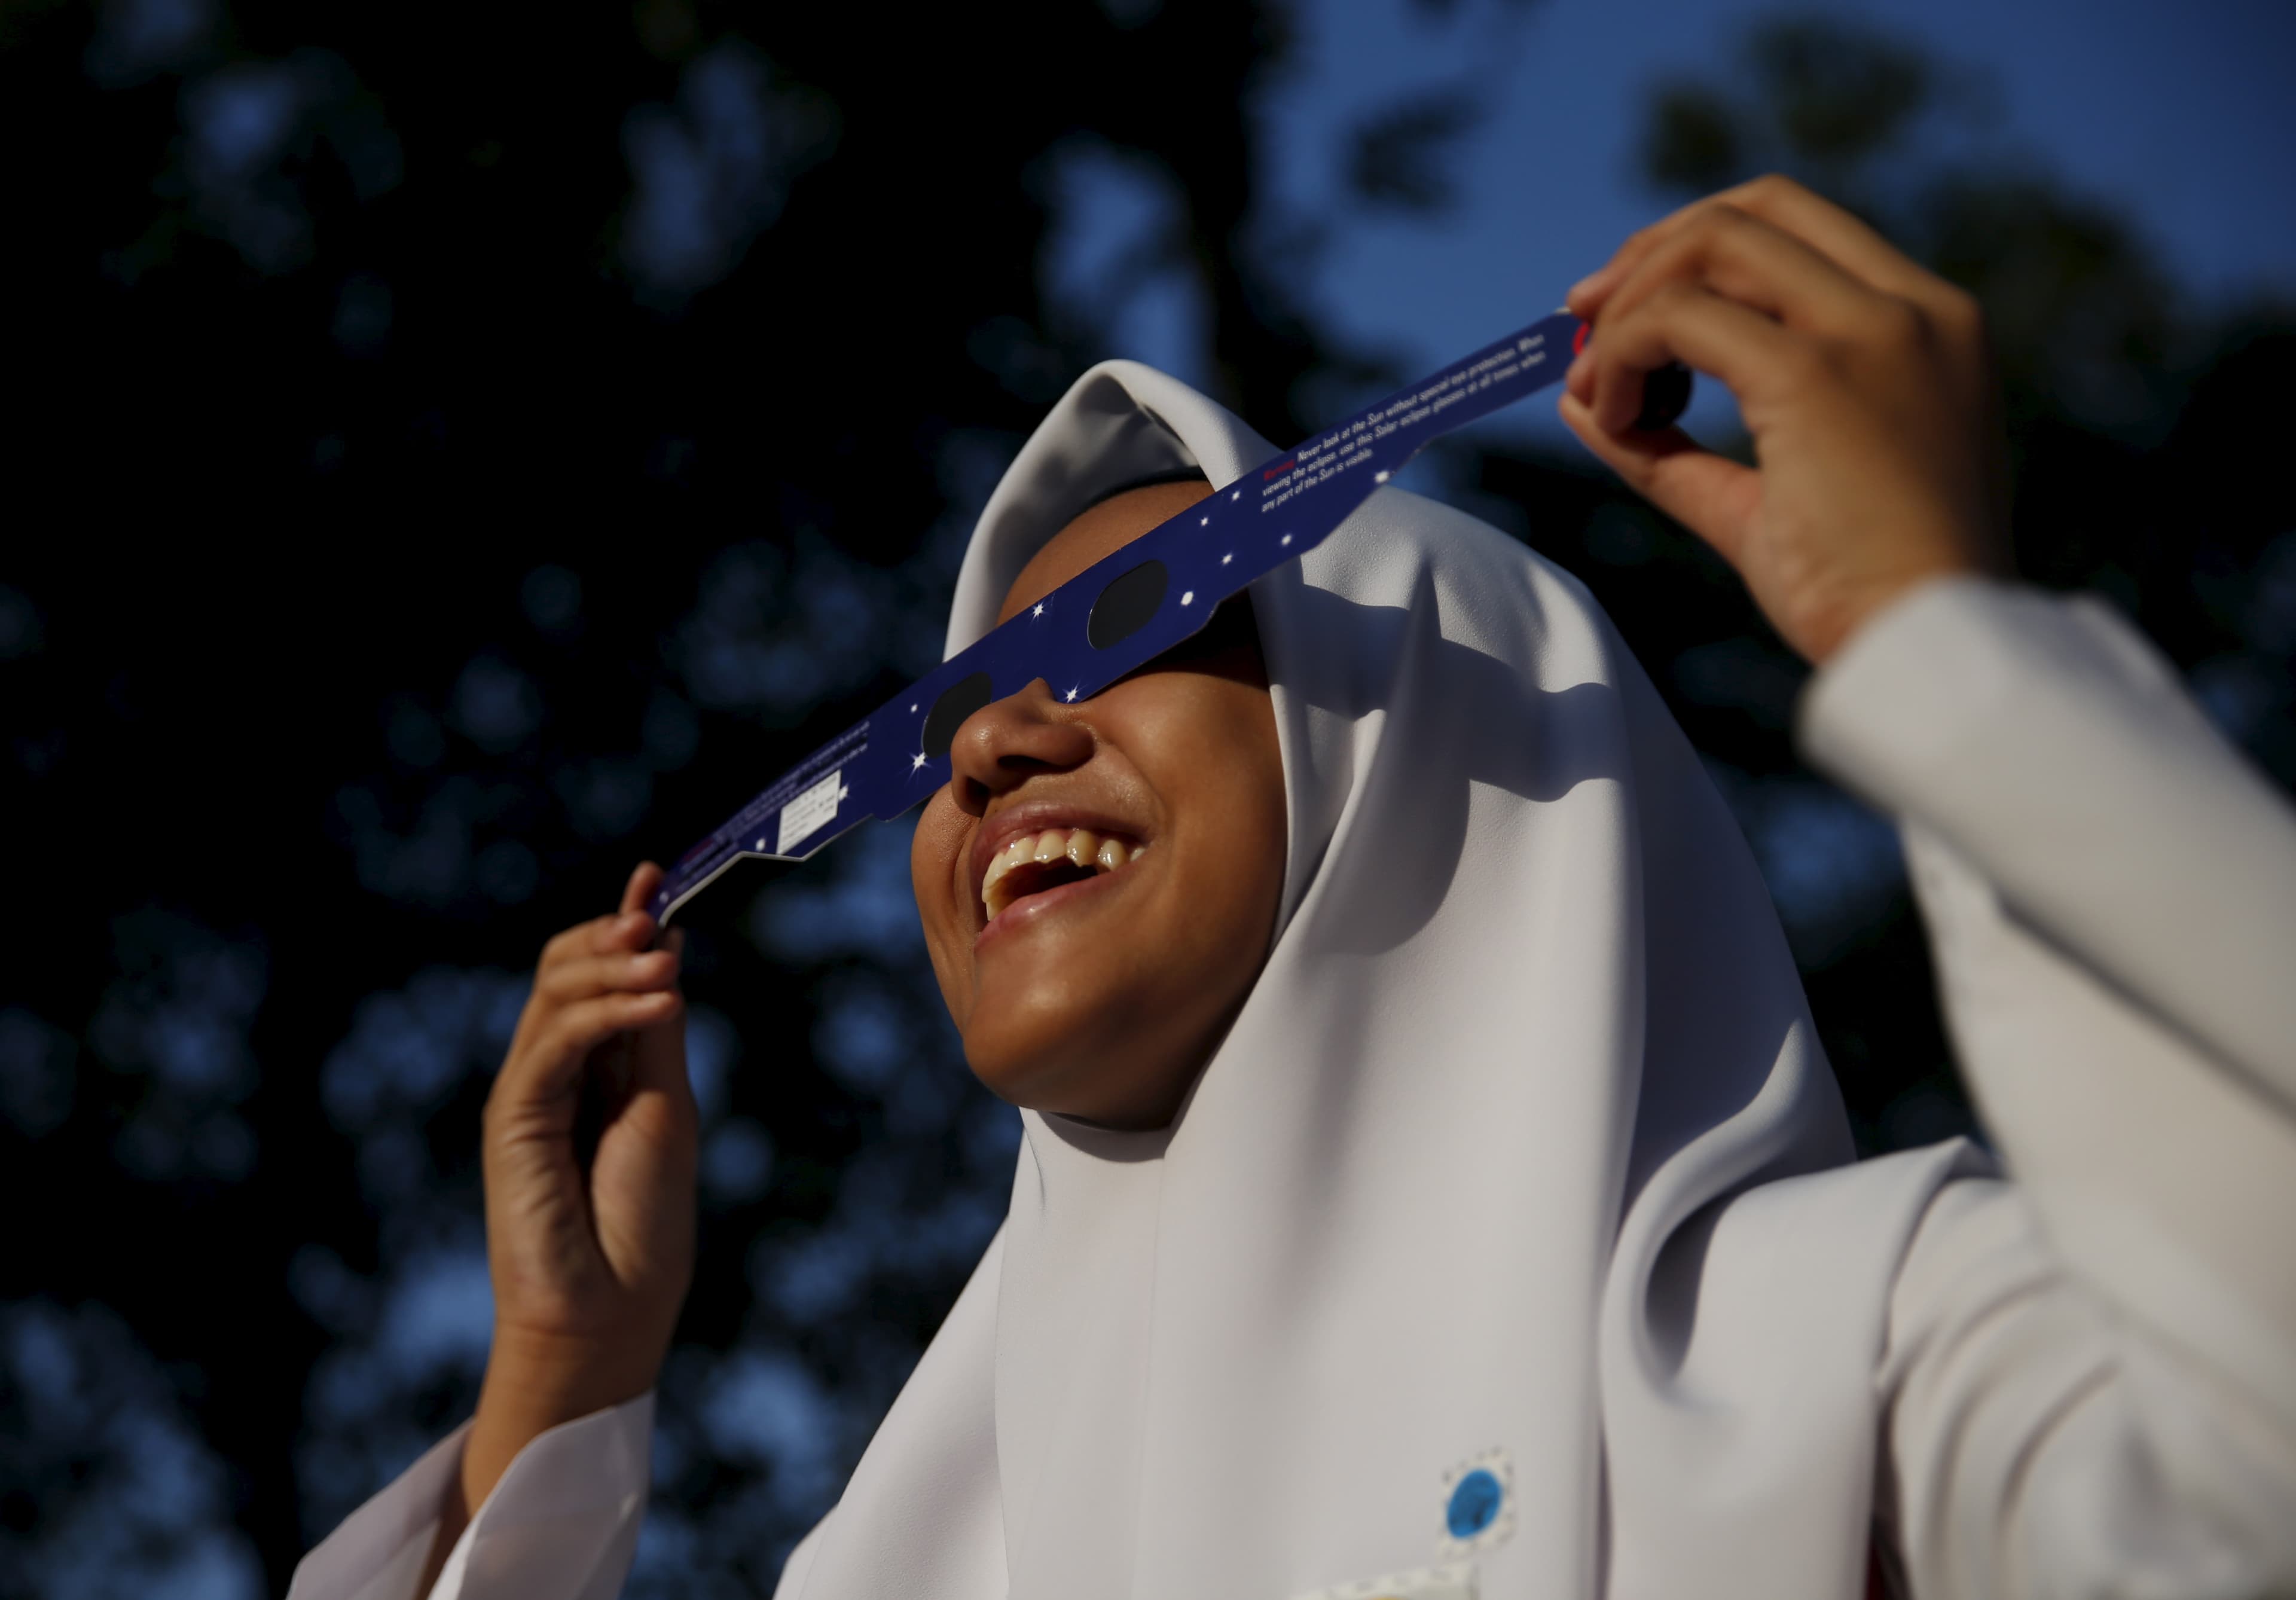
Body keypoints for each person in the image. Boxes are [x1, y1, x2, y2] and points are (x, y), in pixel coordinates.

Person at [288, 178, 2296, 1600]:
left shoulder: (1849, 1370)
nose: (988, 746)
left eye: (1135, 633)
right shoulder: (895, 1561)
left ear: (1403, 740)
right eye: (941, 723)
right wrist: (560, 1380)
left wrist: (1947, 647)